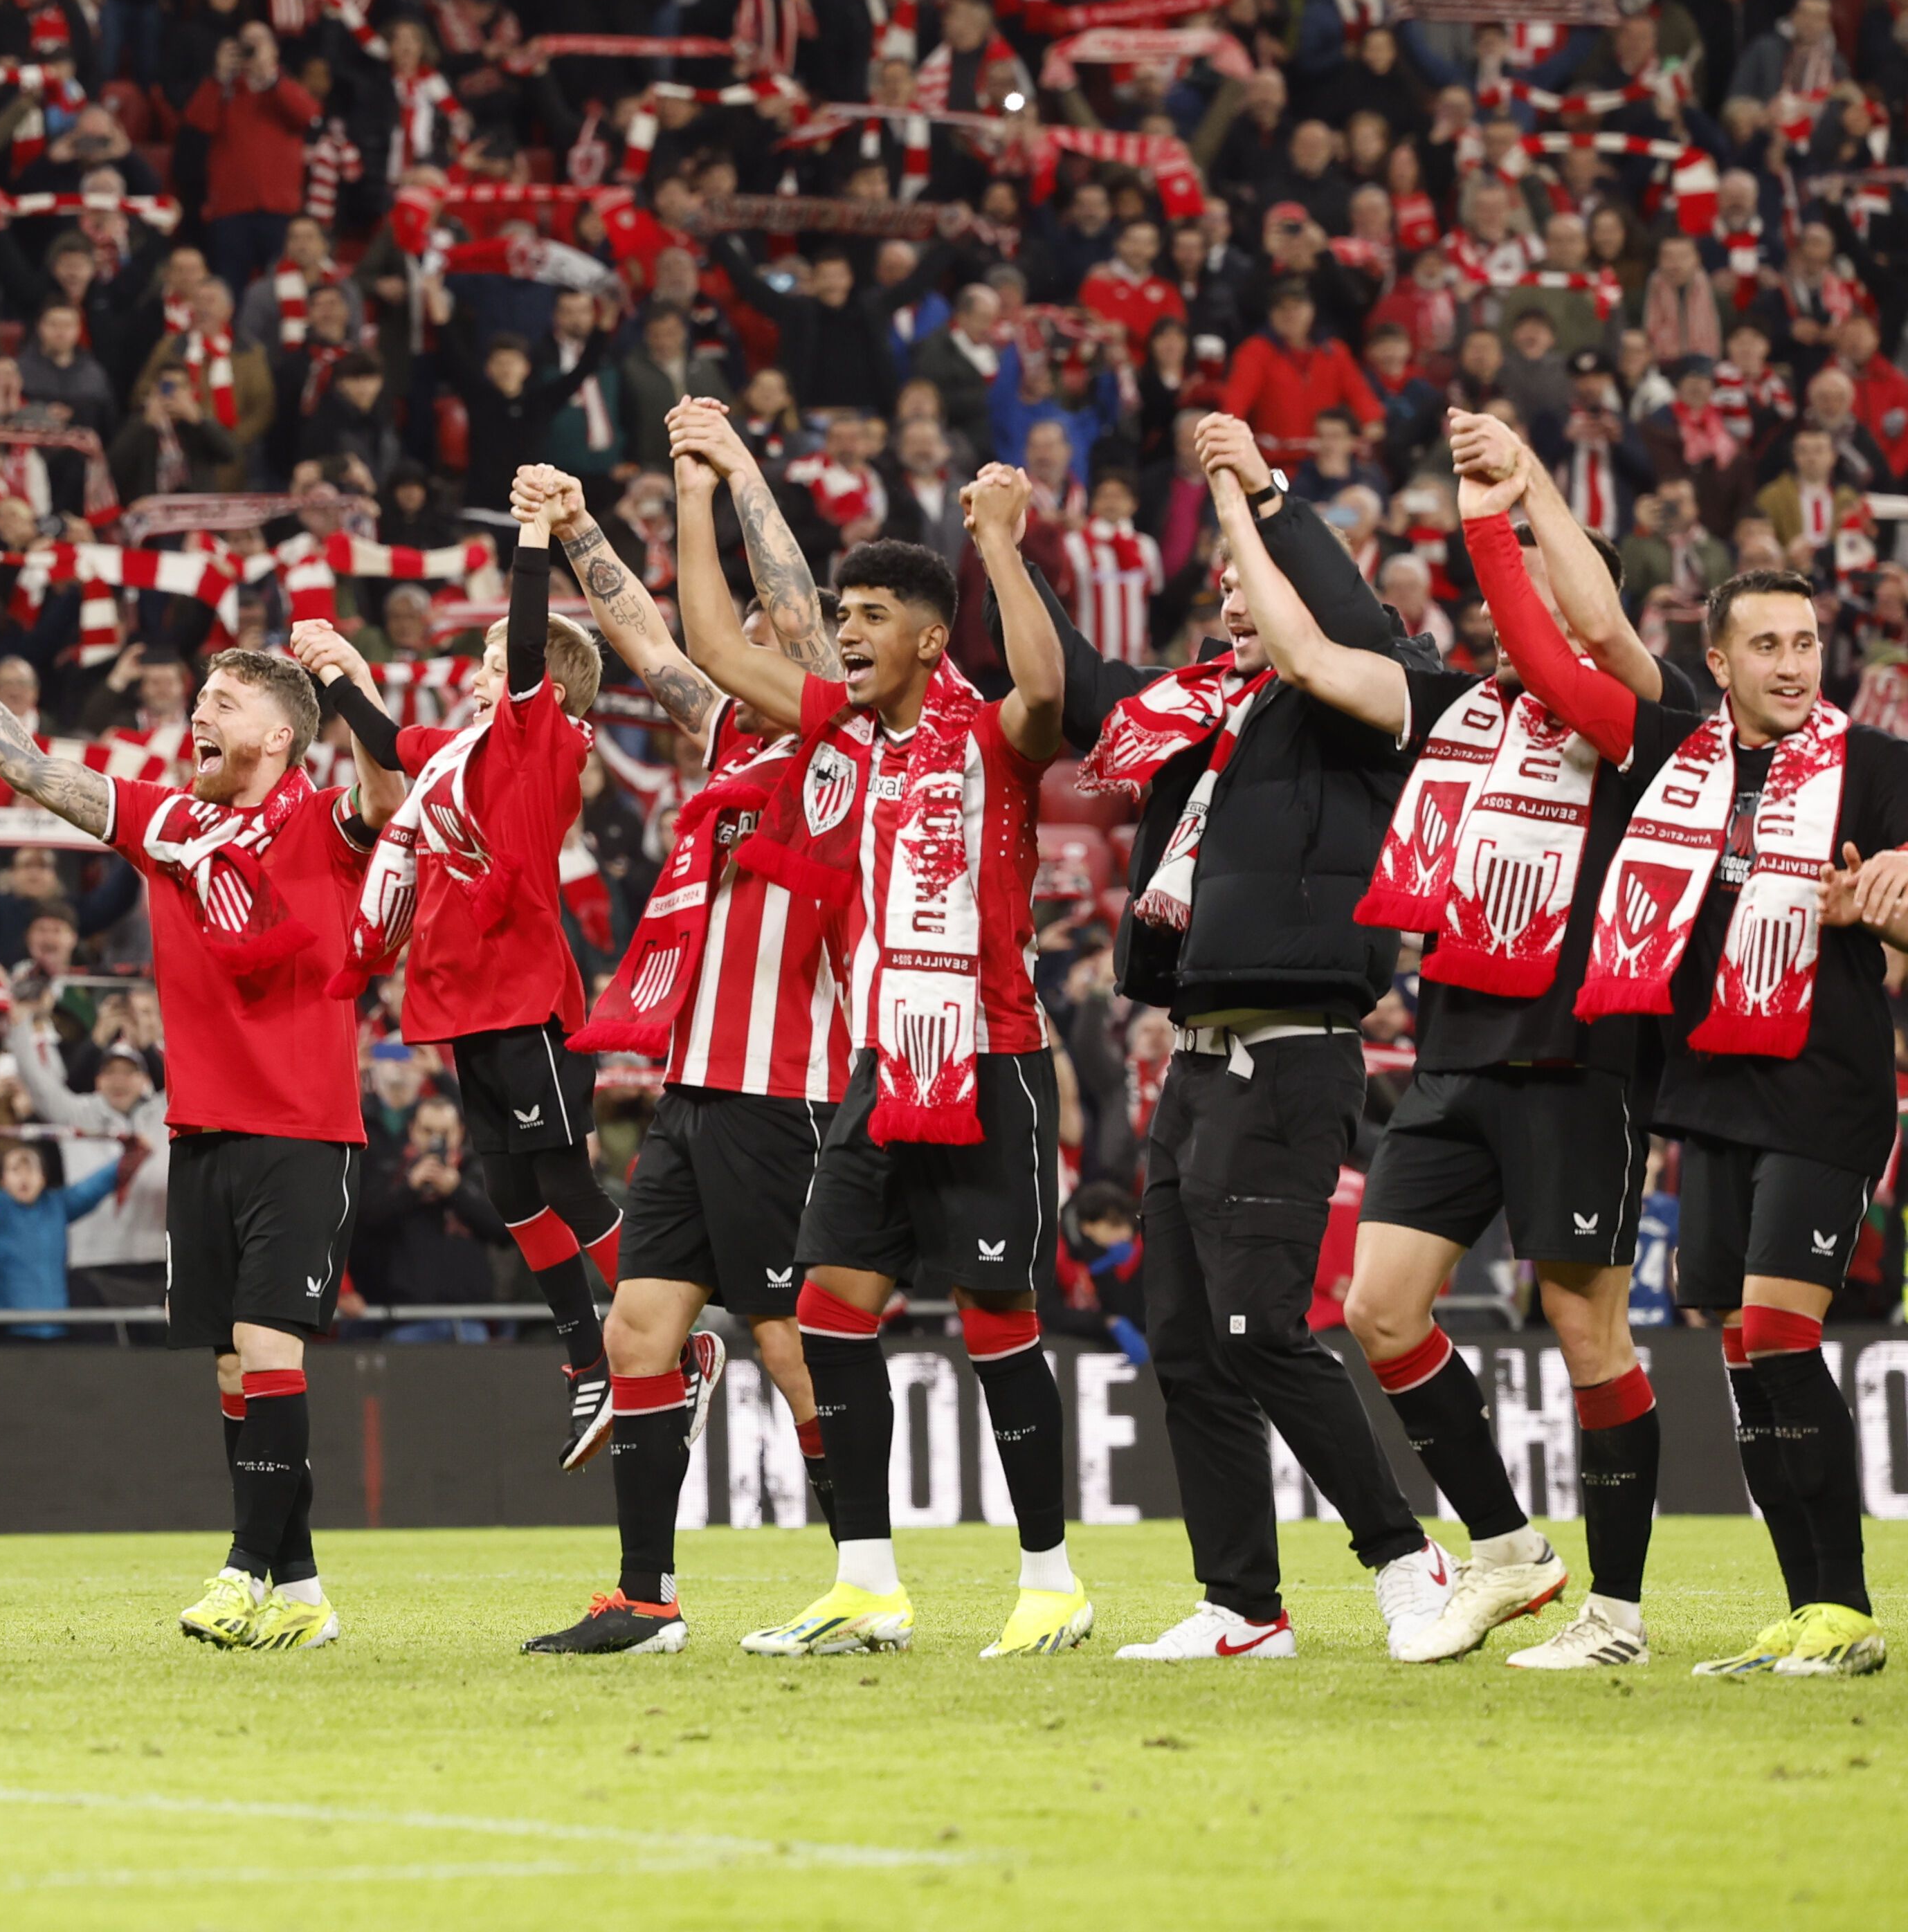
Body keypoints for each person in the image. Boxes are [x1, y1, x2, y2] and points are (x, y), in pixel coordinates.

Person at [1224, 408, 1673, 1669]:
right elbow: (1315, 653)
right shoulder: (1460, 712)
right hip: (1455, 1056)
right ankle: (1512, 1554)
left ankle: (1621, 1620)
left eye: (1545, 594)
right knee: (1380, 1309)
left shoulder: (1643, 714)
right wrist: (1252, 502)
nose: (1517, 626)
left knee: (1589, 1331)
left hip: (1577, 1062)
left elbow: (1554, 623)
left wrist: (1506, 499)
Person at [1008, 412, 1455, 1669]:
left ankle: (1406, 1559)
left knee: (1264, 1329)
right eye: (1227, 591)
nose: (1240, 607)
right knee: (1196, 1349)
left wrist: (1257, 494)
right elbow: (1079, 690)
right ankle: (1242, 1606)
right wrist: (1007, 553)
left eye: (1258, 588)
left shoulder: (1372, 695)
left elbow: (1338, 630)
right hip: (1199, 1057)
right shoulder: (1205, 713)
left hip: (1296, 1045)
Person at [1471, 495, 1905, 1679]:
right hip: (1704, 1085)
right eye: (1765, 645)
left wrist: (1901, 882)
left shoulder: (1873, 766)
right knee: (1736, 1345)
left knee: (1778, 1327)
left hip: (1824, 1080)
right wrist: (1527, 502)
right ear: (1716, 662)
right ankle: (1804, 1604)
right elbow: (1601, 632)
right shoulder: (1677, 751)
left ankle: (1848, 1604)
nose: (1791, 664)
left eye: (1807, 644)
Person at [679, 459, 1091, 1664]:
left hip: (988, 1061)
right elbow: (711, 639)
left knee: (995, 1317)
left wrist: (1001, 545)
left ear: (926, 638)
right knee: (827, 1312)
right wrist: (695, 486)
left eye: (869, 619)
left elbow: (1049, 683)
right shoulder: (844, 735)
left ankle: (1051, 1580)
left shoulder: (996, 736)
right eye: (841, 615)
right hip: (877, 1072)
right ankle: (866, 1585)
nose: (845, 633)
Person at [0, 626, 402, 1654]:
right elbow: (28, 765)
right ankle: (302, 1589)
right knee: (237, 1370)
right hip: (197, 1132)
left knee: (273, 1350)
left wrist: (353, 681)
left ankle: (242, 1571)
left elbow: (393, 793)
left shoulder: (327, 822)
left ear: (284, 735)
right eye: (202, 696)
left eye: (227, 702)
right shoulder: (167, 822)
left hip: (303, 1129)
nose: (200, 712)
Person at [525, 442, 851, 1656]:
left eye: (779, 626)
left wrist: (725, 475)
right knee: (638, 1332)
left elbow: (798, 621)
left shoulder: (844, 743)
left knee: (785, 1341)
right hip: (694, 1088)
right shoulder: (730, 742)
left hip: (784, 1088)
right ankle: (647, 1599)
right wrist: (577, 532)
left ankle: (863, 1574)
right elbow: (651, 644)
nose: (759, 637)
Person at [286, 512, 620, 1474]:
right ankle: (588, 1357)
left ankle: (664, 1333)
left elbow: (521, 647)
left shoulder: (541, 737)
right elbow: (389, 742)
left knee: (563, 1180)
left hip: (523, 994)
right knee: (514, 1196)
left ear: (539, 686)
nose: (478, 674)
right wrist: (342, 669)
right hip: (466, 1002)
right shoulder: (461, 753)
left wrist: (531, 535)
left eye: (487, 661)